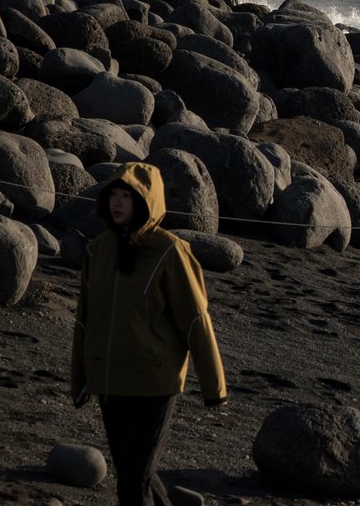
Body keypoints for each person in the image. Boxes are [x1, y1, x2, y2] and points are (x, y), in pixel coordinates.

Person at [72, 163, 228, 506]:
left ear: (146, 201)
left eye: (127, 196)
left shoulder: (171, 251)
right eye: (114, 194)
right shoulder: (97, 250)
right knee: (135, 474)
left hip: (153, 383)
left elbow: (196, 319)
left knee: (132, 483)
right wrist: (81, 378)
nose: (118, 202)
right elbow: (85, 319)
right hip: (110, 382)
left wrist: (213, 385)